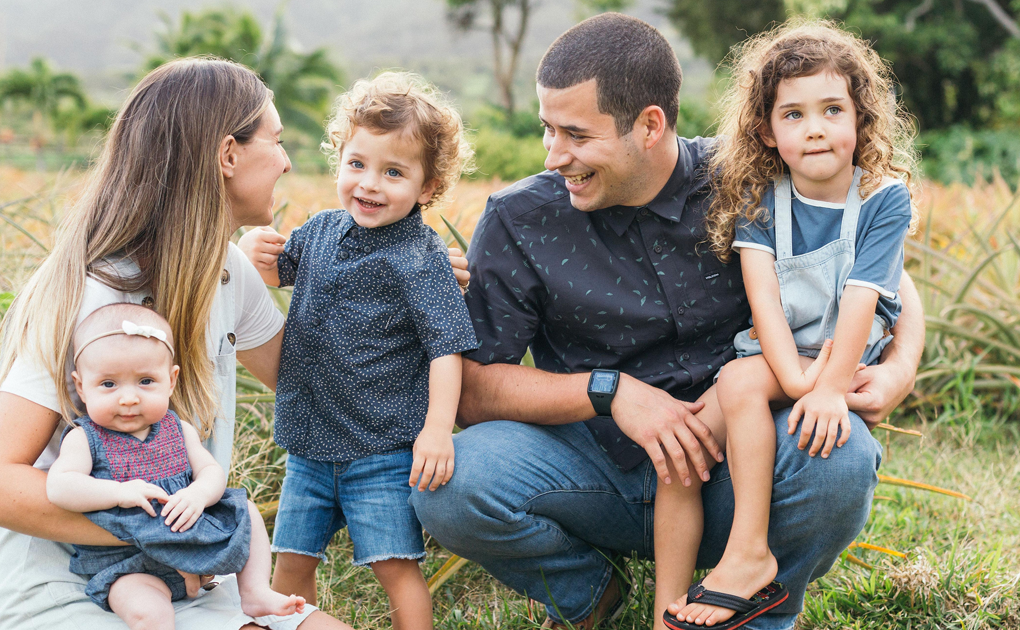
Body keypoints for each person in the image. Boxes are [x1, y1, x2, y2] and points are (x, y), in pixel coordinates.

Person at [409, 13, 924, 630]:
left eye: (576, 134)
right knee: (451, 482)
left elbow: (876, 267)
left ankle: (750, 607)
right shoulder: (521, 220)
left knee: (839, 459)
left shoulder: (748, 179)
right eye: (549, 129)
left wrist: (897, 371)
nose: (555, 156)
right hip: (596, 471)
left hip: (738, 472)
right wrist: (611, 394)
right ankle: (591, 596)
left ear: (650, 125)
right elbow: (473, 387)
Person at [0, 57, 366, 630]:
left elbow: (319, 389)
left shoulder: (227, 271)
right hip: (68, 588)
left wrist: (403, 273)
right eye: (276, 141)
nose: (286, 160)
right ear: (228, 154)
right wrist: (179, 530)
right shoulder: (89, 293)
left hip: (185, 577)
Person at [658, 21, 918, 630]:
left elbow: (862, 297)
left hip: (845, 352)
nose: (816, 127)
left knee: (743, 386)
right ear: (768, 133)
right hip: (779, 354)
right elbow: (765, 303)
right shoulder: (758, 199)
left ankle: (749, 552)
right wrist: (798, 382)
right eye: (793, 114)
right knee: (682, 449)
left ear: (861, 120)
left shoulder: (884, 198)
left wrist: (827, 385)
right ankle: (663, 610)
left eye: (832, 109)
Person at [238, 72, 479, 630]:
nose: (369, 184)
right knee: (291, 562)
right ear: (339, 160)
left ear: (428, 186)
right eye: (357, 165)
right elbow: (273, 270)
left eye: (393, 172)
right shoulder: (320, 231)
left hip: (382, 450)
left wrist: (437, 430)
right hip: (308, 446)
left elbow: (447, 349)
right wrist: (249, 247)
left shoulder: (422, 257)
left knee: (395, 567)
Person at [46, 303, 308, 629]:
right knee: (149, 613)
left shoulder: (178, 428)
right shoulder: (86, 438)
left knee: (246, 510)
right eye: (109, 384)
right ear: (82, 386)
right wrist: (118, 491)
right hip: (129, 565)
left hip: (190, 540)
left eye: (145, 381)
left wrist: (199, 494)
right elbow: (60, 485)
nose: (128, 398)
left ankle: (255, 590)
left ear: (170, 381)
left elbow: (211, 472)